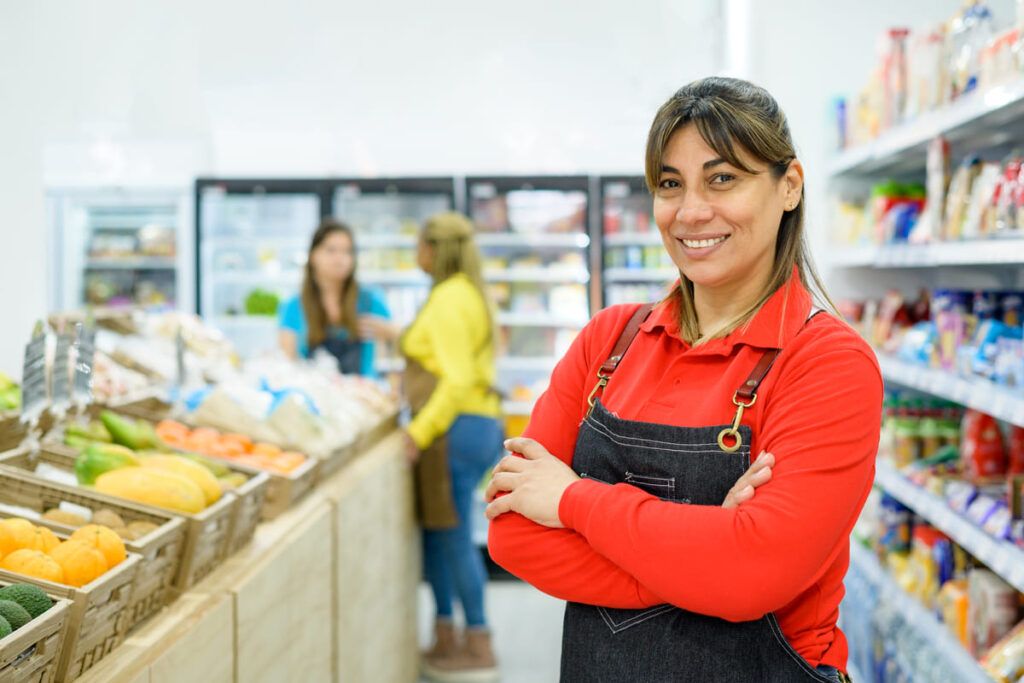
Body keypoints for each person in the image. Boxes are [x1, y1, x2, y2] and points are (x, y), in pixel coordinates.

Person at [485, 77, 880, 683]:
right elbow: (513, 534)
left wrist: (570, 500)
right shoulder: (608, 341)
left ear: (790, 186)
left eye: (722, 178)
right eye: (671, 184)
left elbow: (755, 573)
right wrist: (709, 552)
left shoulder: (826, 361)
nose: (691, 211)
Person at [398, 212, 504, 682]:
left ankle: (477, 639)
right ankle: (446, 634)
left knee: (453, 537)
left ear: (432, 249)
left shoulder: (446, 298)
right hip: (476, 424)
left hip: (454, 429)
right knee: (441, 533)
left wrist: (417, 433)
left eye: (419, 244)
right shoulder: (470, 293)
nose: (416, 254)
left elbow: (456, 378)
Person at [277, 218, 393, 375]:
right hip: (314, 396)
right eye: (331, 250)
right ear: (312, 256)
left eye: (347, 251)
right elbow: (286, 364)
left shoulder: (371, 303)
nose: (340, 259)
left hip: (364, 395)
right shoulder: (293, 307)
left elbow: (389, 362)